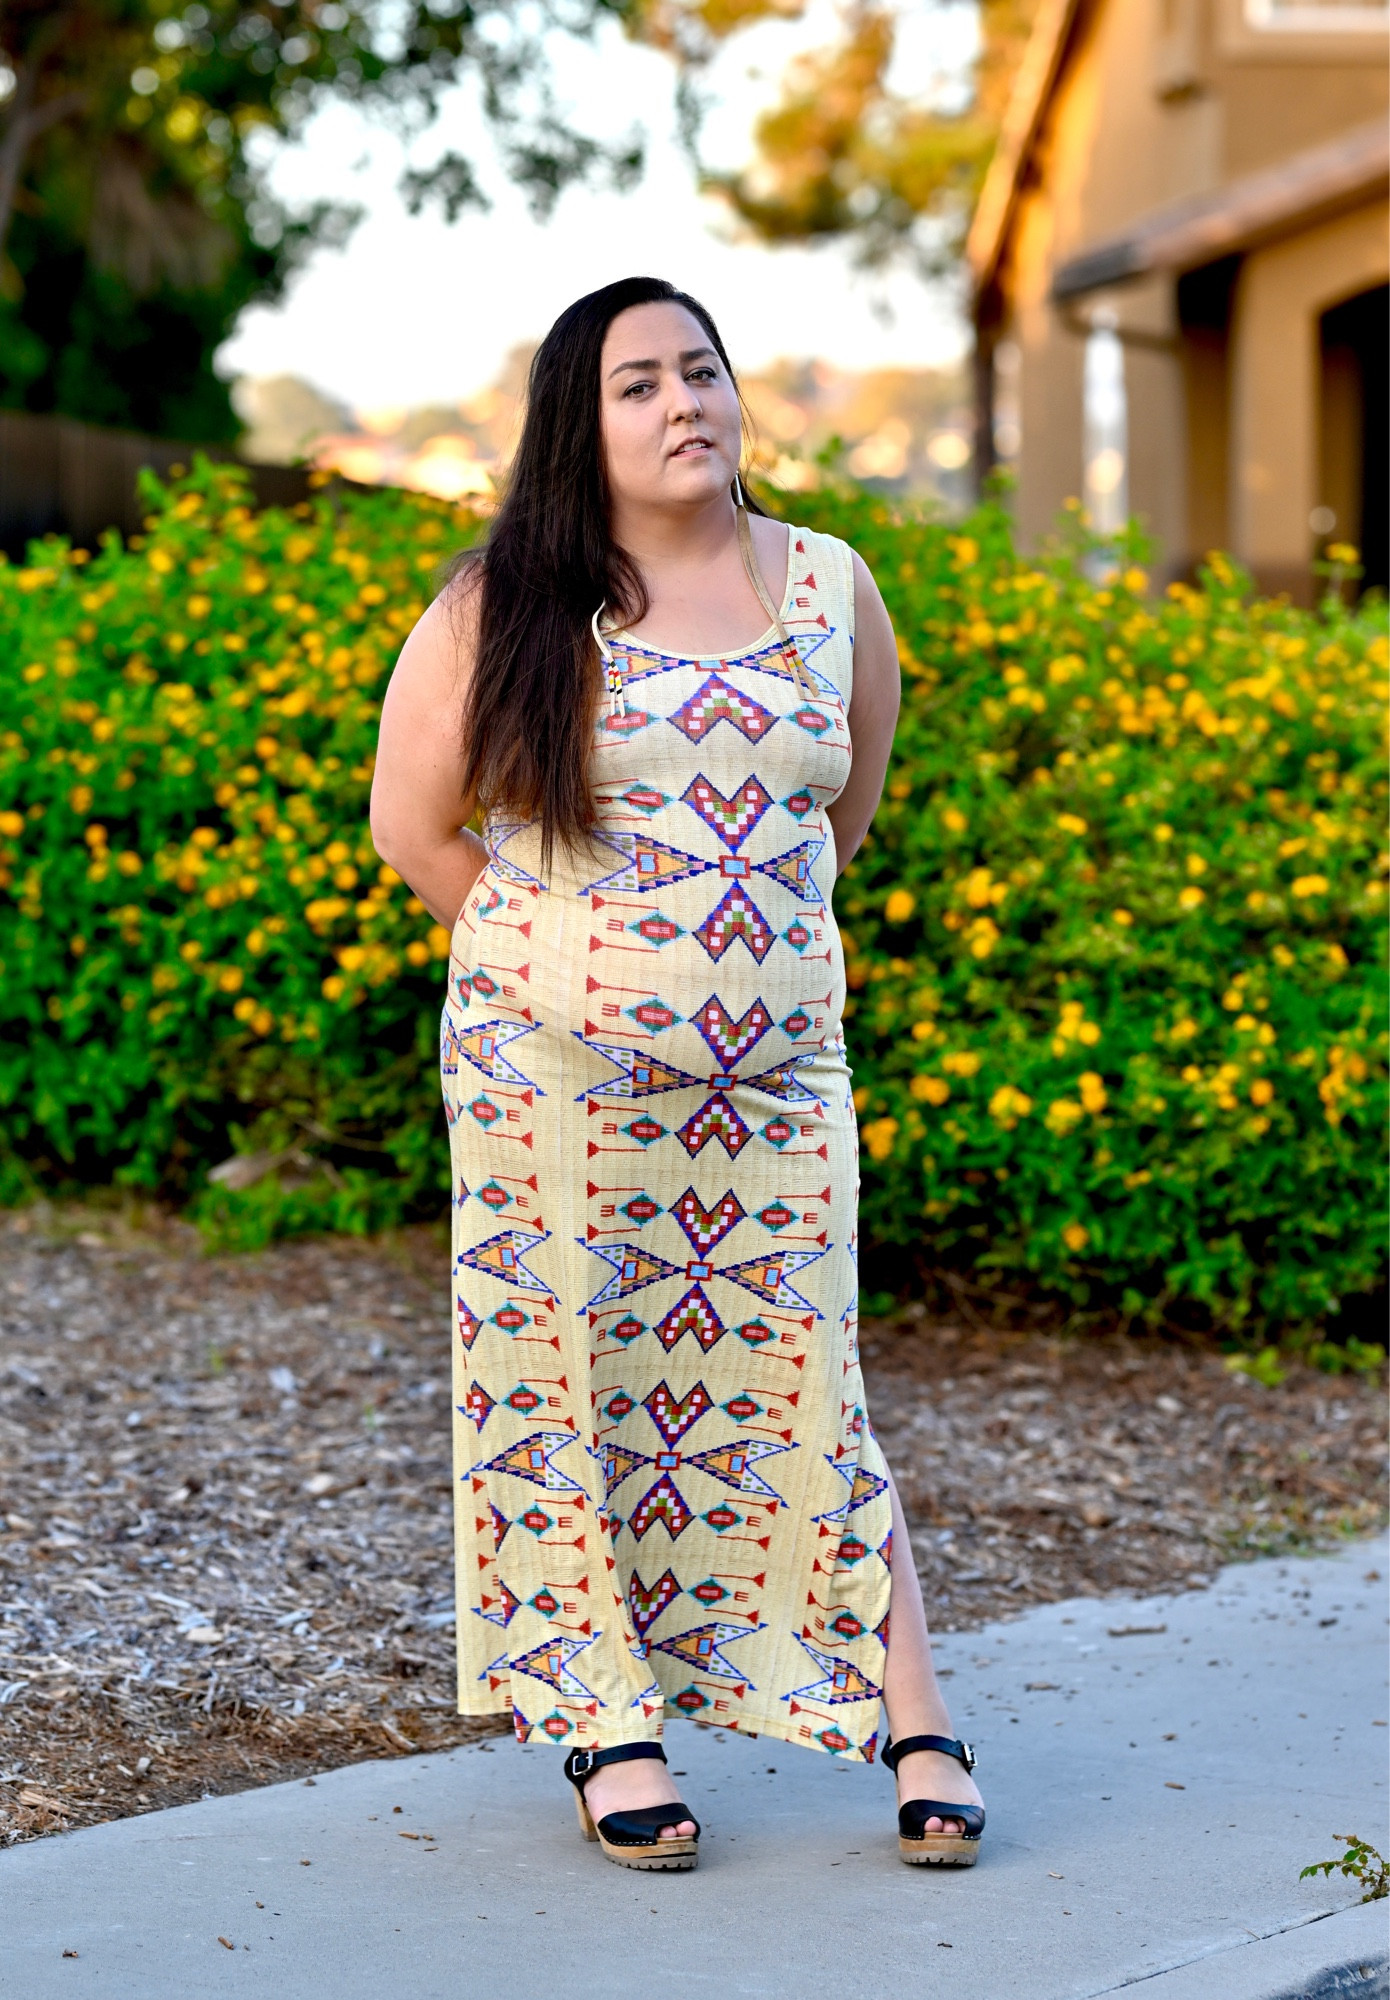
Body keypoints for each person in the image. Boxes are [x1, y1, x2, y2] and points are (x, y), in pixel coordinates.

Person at [370, 275, 985, 1872]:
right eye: (636, 385)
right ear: (582, 427)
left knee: (810, 1377)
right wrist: (564, 972)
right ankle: (608, 1723)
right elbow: (414, 830)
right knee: (559, 1383)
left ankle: (914, 1713)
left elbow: (827, 822)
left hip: (777, 1081)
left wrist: (735, 975)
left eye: (698, 371)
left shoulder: (829, 583)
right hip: (546, 1080)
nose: (681, 404)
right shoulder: (505, 601)